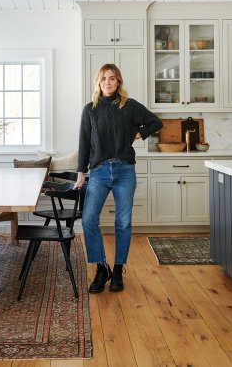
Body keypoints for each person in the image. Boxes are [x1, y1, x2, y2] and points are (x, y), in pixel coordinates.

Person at [74, 64, 162, 293]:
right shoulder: (90, 109)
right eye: (103, 79)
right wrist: (81, 172)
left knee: (123, 222)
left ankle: (118, 270)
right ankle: (102, 267)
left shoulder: (130, 106)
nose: (108, 82)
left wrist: (138, 133)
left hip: (124, 171)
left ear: (118, 82)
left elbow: (155, 122)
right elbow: (84, 142)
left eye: (112, 78)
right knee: (88, 220)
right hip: (99, 171)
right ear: (98, 82)